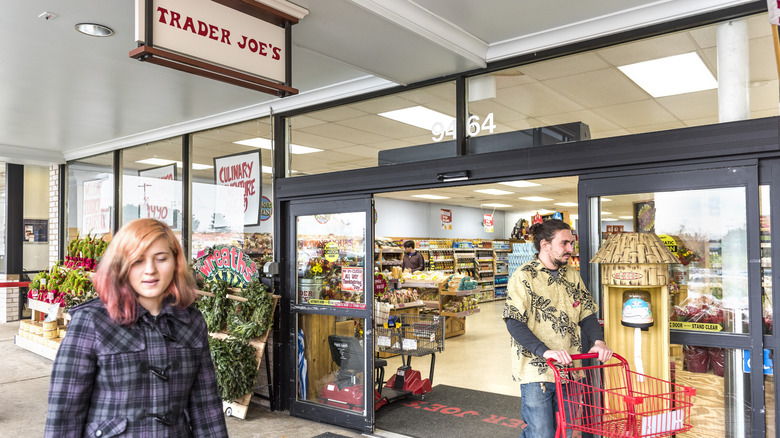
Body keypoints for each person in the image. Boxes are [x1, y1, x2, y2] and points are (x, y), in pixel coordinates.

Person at [45, 218, 228, 437]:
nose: (150, 270)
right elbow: (64, 411)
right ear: (121, 265)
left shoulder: (191, 320)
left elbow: (206, 405)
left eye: (161, 259)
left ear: (176, 262)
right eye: (138, 261)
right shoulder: (91, 321)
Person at [503, 219, 612, 438]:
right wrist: (545, 351)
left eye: (571, 243)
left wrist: (598, 341)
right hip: (537, 371)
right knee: (541, 432)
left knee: (566, 431)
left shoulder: (571, 275)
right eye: (564, 243)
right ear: (545, 245)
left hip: (570, 369)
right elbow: (514, 322)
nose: (571, 249)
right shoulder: (523, 277)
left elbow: (587, 313)